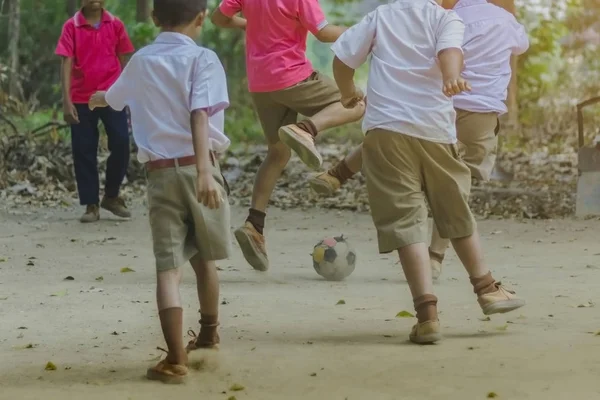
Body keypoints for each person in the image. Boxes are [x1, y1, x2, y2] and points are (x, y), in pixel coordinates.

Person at [330, 0, 525, 344]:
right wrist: (451, 77)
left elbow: (343, 60)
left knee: (405, 220)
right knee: (453, 208)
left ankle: (427, 316)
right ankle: (487, 289)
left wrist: (348, 93)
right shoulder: (446, 18)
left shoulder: (382, 16)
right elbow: (450, 52)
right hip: (435, 128)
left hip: (386, 129)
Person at [89, 0, 231, 383]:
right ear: (201, 19)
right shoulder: (204, 59)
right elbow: (200, 111)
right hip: (202, 168)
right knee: (204, 259)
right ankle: (208, 334)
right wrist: (204, 172)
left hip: (162, 175)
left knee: (169, 270)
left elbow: (114, 98)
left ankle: (175, 358)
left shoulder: (141, 62)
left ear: (153, 18)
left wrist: (98, 98)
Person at [211, 0, 365, 272]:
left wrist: (246, 23)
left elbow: (219, 18)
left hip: (260, 83)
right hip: (292, 76)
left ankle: (254, 225)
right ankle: (307, 129)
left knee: (278, 151)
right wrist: (364, 29)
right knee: (356, 103)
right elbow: (323, 32)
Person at [55, 0, 135, 223]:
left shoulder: (115, 24)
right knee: (83, 149)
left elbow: (124, 58)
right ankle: (91, 205)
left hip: (112, 96)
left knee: (121, 142)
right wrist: (66, 100)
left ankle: (111, 195)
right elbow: (66, 62)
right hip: (81, 98)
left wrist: (127, 93)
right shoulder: (72, 26)